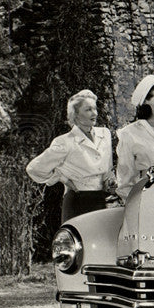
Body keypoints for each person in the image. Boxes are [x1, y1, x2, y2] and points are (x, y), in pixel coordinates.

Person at [26, 89, 116, 221]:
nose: (95, 113)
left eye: (95, 108)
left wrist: (111, 181)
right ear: (76, 115)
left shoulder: (105, 134)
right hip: (77, 202)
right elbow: (33, 169)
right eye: (88, 110)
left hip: (102, 201)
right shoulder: (65, 142)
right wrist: (61, 178)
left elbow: (108, 169)